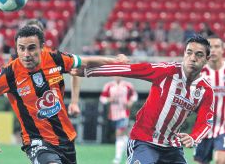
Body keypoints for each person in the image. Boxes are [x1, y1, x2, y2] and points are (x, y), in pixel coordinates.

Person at [0, 25, 129, 164]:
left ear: (42, 47)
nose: (26, 54)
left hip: (65, 138)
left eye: (31, 48)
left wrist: (114, 60)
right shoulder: (8, 73)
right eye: (21, 48)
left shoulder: (55, 59)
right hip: (36, 141)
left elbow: (84, 62)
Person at [73, 34, 214, 164]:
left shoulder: (205, 90)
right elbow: (129, 70)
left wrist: (194, 137)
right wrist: (88, 71)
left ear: (207, 59)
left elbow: (206, 121)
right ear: (184, 54)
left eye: (199, 54)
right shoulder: (166, 71)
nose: (193, 58)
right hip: (144, 140)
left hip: (171, 147)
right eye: (189, 52)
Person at [194, 35, 225, 164]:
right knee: (201, 161)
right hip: (203, 126)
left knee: (220, 160)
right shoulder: (199, 73)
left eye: (217, 47)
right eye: (210, 47)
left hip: (223, 126)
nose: (213, 50)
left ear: (223, 50)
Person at [100, 76, 138, 164]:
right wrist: (109, 99)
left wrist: (130, 102)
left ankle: (117, 158)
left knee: (119, 133)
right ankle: (129, 155)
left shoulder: (127, 85)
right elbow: (102, 98)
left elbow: (134, 96)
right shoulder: (109, 86)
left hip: (124, 114)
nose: (118, 76)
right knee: (123, 137)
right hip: (112, 114)